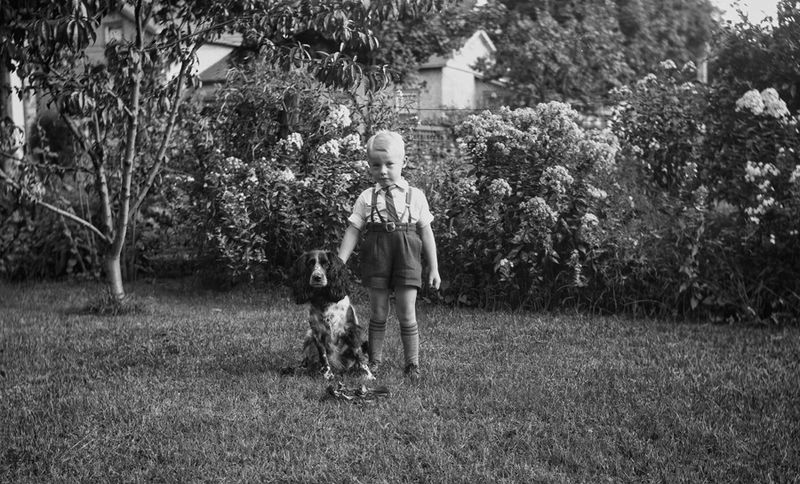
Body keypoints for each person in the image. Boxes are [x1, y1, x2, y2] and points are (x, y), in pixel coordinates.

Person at [338, 130, 441, 381]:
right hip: (377, 254)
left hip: (406, 255)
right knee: (379, 312)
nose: (382, 171)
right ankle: (374, 361)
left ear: (403, 163)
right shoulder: (366, 197)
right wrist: (339, 261)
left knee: (407, 312)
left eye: (389, 164)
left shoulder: (415, 196)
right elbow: (353, 229)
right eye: (376, 165)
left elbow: (426, 233)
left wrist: (434, 268)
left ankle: (412, 364)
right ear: (369, 166)